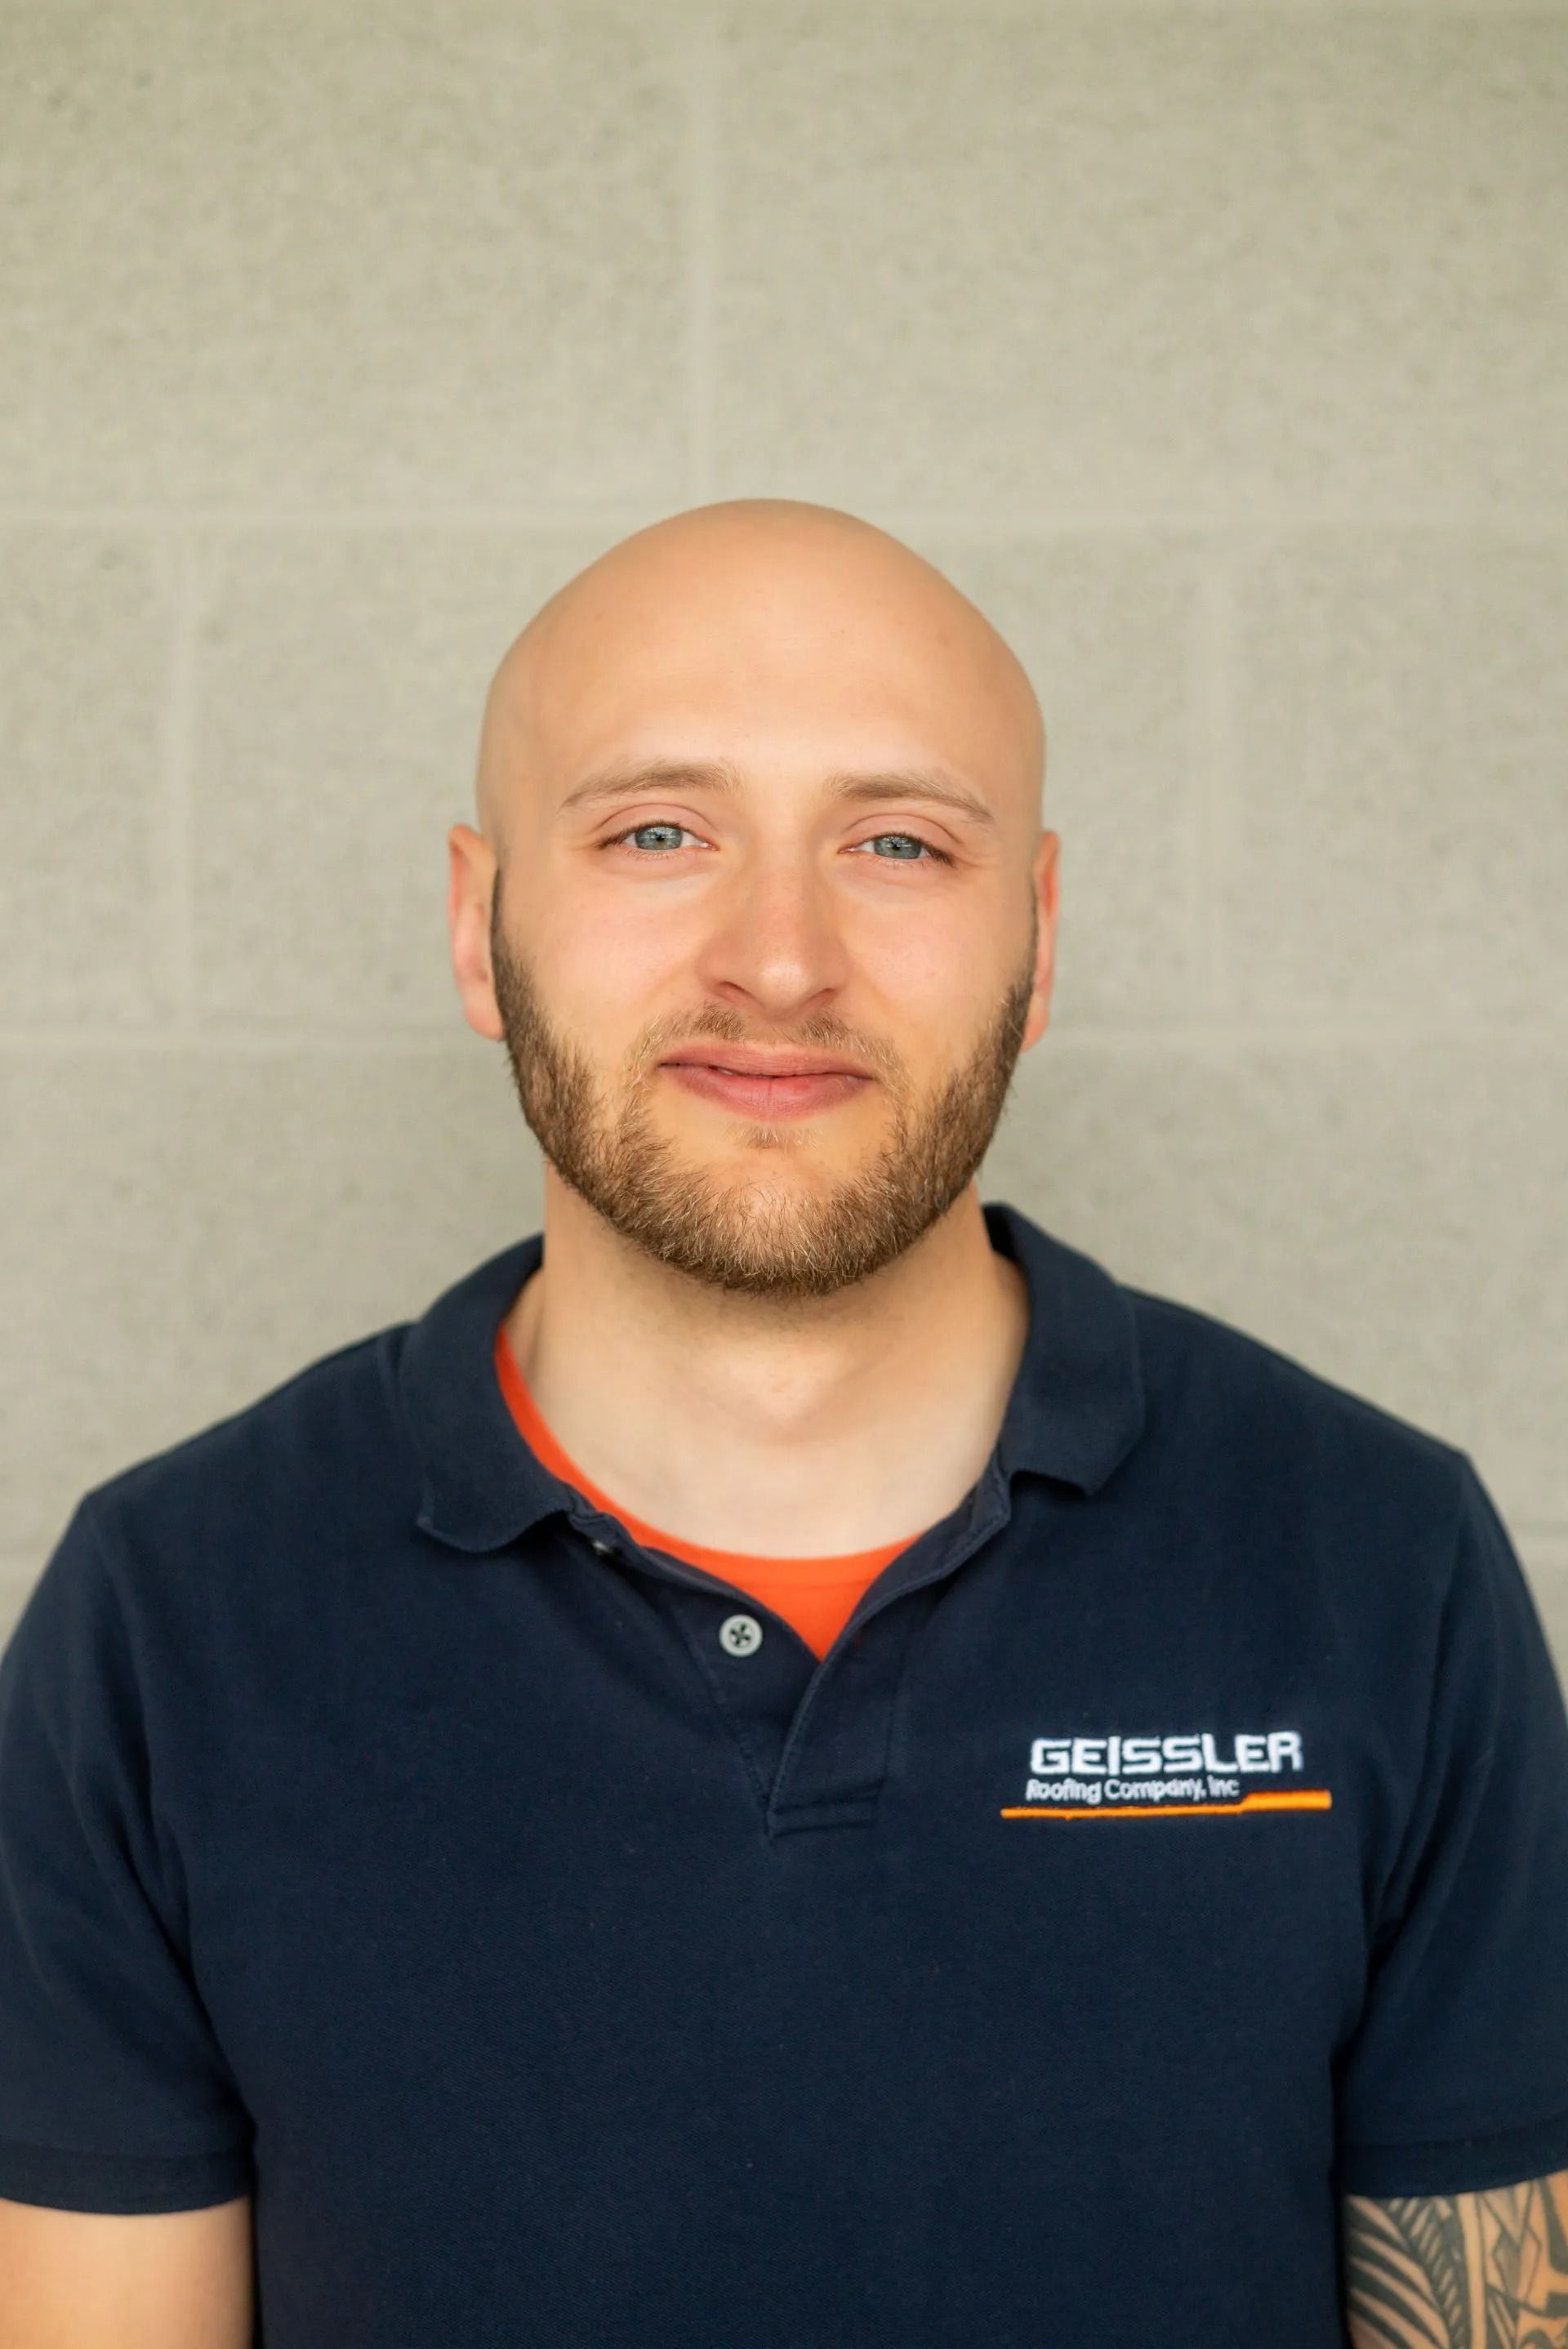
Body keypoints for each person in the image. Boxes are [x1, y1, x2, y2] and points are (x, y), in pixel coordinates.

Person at [2, 498, 1566, 2349]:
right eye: (659, 831)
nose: (781, 958)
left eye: (897, 840)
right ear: (476, 921)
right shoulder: (169, 1618)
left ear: (1039, 938)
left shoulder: (1381, 1564)